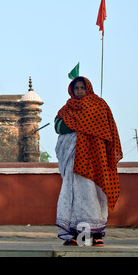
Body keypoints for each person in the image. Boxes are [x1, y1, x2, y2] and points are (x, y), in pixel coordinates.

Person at [54, 76, 123, 246]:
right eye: (76, 88)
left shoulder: (99, 105)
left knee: (93, 195)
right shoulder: (67, 107)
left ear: (88, 89)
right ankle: (77, 236)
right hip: (73, 160)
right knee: (73, 196)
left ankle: (96, 235)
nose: (79, 91)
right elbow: (58, 126)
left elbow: (107, 130)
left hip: (94, 161)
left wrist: (76, 124)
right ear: (71, 89)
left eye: (82, 88)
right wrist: (79, 124)